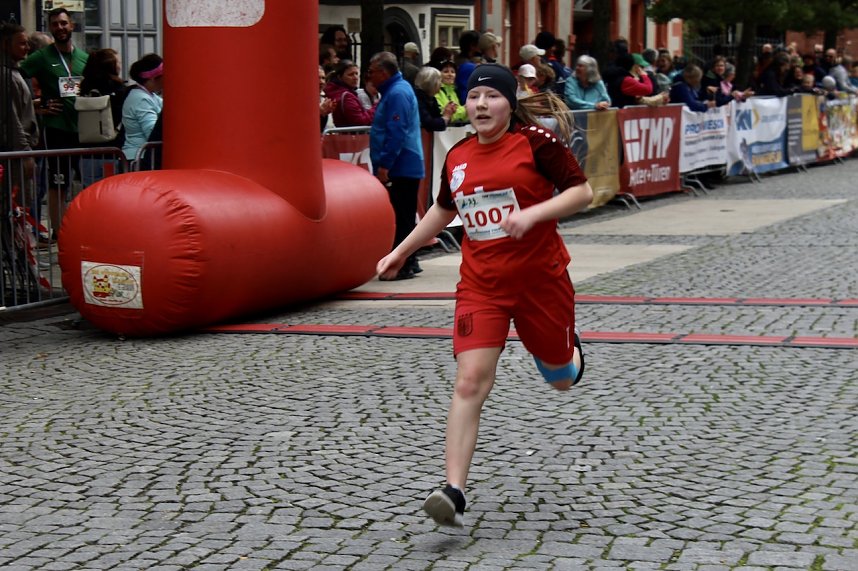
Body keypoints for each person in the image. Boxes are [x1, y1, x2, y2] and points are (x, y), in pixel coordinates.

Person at [376, 64, 592, 528]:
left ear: (509, 103)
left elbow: (582, 193)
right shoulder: (457, 155)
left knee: (559, 379)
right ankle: (452, 490)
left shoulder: (537, 142)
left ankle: (570, 357)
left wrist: (534, 216)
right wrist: (400, 251)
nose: (481, 105)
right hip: (481, 287)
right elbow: (442, 209)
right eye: (474, 98)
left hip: (542, 284)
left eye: (492, 97)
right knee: (470, 381)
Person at [19, 7, 88, 241]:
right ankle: (60, 233)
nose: (60, 28)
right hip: (56, 129)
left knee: (80, 185)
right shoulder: (41, 57)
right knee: (58, 183)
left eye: (63, 23)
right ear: (50, 28)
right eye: (55, 24)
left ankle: (79, 228)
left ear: (72, 26)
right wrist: (37, 106)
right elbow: (15, 81)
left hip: (82, 130)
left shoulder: (82, 57)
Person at [368, 52, 425, 281]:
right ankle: (410, 260)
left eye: (371, 71)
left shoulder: (397, 93)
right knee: (403, 215)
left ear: (384, 72)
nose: (369, 76)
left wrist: (385, 164)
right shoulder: (397, 90)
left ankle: (403, 264)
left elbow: (396, 132)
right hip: (405, 163)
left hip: (402, 165)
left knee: (400, 216)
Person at [1, 23, 40, 202]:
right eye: (22, 43)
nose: (27, 47)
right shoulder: (5, 76)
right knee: (16, 206)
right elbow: (11, 118)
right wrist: (24, 153)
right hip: (14, 153)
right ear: (6, 44)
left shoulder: (14, 73)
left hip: (19, 150)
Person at [79, 48, 127, 186]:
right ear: (111, 65)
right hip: (111, 151)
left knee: (90, 191)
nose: (119, 65)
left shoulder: (85, 87)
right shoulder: (118, 89)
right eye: (117, 61)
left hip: (87, 152)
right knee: (109, 191)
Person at [122, 53, 163, 163]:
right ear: (154, 78)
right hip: (140, 157)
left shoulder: (151, 96)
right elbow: (152, 131)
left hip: (142, 155)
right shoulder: (141, 99)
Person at [323, 60, 376, 127]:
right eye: (351, 74)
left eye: (356, 74)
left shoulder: (334, 91)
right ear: (340, 77)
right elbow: (361, 121)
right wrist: (377, 106)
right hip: (347, 135)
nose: (355, 78)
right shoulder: (346, 96)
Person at [414, 66, 456, 131]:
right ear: (431, 83)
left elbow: (437, 118)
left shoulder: (431, 98)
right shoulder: (418, 98)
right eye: (439, 81)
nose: (441, 84)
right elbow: (429, 124)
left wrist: (446, 112)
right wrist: (446, 116)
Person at [433, 59, 468, 124]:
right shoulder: (435, 91)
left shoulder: (454, 91)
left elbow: (460, 116)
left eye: (453, 72)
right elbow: (446, 116)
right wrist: (465, 109)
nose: (450, 74)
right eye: (446, 71)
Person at [455, 30, 482, 102]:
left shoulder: (458, 60)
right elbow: (465, 90)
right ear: (472, 46)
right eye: (479, 44)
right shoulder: (468, 67)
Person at [319, 66, 335, 132]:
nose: (321, 82)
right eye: (317, 78)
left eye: (323, 78)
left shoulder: (325, 98)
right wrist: (320, 114)